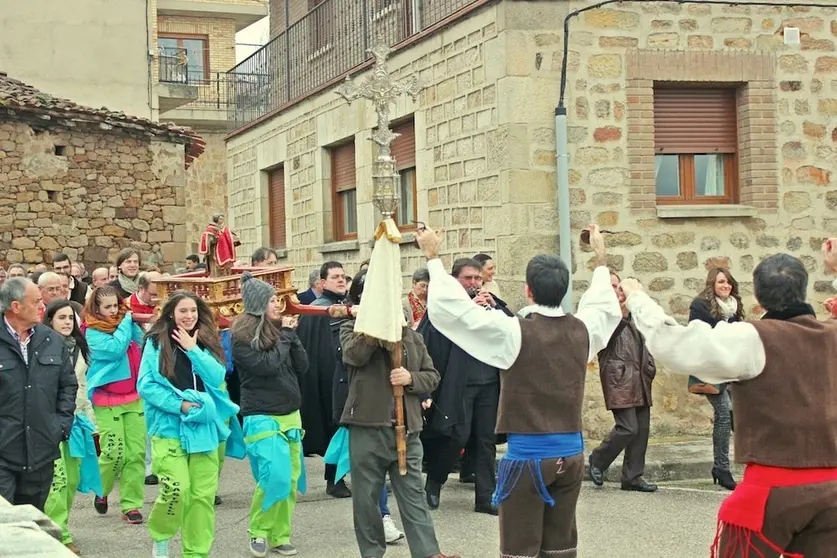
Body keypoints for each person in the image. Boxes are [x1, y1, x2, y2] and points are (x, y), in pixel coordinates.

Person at [619, 239, 837, 556]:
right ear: (803, 291)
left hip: (773, 493)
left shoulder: (751, 338)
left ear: (758, 298)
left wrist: (637, 297)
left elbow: (674, 345)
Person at [414, 224, 621, 558]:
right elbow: (605, 307)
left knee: (519, 551)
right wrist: (599, 258)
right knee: (561, 548)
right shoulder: (583, 330)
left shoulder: (513, 332)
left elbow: (457, 314)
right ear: (564, 290)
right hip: (571, 456)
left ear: (528, 290)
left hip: (528, 458)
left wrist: (433, 256)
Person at [340, 270, 459, 558]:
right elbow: (354, 356)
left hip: (408, 431)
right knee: (366, 501)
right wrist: (374, 327)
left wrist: (410, 378)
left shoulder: (413, 338)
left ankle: (428, 552)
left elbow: (432, 376)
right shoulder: (350, 329)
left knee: (413, 496)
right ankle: (371, 553)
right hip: (367, 428)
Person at [138, 291, 238, 558]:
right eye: (183, 311)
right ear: (170, 313)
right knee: (176, 489)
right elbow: (146, 385)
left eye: (193, 310)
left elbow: (217, 376)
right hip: (169, 427)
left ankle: (196, 553)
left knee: (202, 497)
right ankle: (161, 535)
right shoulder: (155, 342)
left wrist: (194, 349)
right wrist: (179, 405)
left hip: (203, 428)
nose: (189, 316)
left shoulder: (205, 339)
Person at [232, 273, 309, 557]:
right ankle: (258, 531)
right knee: (273, 475)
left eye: (277, 299)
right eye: (272, 301)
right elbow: (267, 365)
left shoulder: (281, 332)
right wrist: (286, 336)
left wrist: (292, 336)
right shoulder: (241, 338)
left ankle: (280, 534)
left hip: (291, 414)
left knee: (290, 479)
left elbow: (302, 366)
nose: (278, 305)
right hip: (261, 415)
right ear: (257, 305)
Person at [327, 269, 405, 545]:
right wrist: (367, 320)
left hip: (391, 401)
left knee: (392, 467)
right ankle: (380, 518)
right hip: (357, 400)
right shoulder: (344, 319)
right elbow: (349, 355)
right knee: (368, 473)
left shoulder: (396, 316)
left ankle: (383, 516)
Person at [0, 278, 77, 511]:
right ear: (16, 307)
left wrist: (60, 426)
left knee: (33, 526)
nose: (42, 306)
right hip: (3, 453)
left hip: (41, 453)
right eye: (36, 302)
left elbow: (68, 386)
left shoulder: (51, 340)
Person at [588, 272, 657, 493]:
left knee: (642, 429)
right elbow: (610, 333)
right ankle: (598, 460)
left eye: (619, 287)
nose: (618, 292)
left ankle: (633, 477)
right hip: (619, 378)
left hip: (639, 378)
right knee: (628, 428)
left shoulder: (634, 317)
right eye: (612, 287)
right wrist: (624, 309)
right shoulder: (604, 317)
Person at [43, 300, 101, 555]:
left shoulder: (79, 348)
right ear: (50, 321)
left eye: (71, 318)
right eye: (61, 317)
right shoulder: (41, 348)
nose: (67, 322)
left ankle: (58, 526)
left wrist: (93, 424)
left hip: (77, 421)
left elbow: (83, 388)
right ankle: (58, 534)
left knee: (72, 479)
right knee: (57, 481)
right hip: (49, 421)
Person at [84, 285, 146, 524]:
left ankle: (131, 505)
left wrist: (137, 326)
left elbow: (142, 344)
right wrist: (127, 321)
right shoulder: (92, 331)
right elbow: (115, 349)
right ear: (96, 309)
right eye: (107, 307)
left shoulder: (126, 324)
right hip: (106, 398)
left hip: (134, 396)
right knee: (113, 452)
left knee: (136, 453)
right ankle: (102, 489)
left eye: (116, 306)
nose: (113, 311)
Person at [296, 261, 352, 498]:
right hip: (325, 378)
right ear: (323, 282)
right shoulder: (318, 309)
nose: (340, 280)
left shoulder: (346, 307)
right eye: (335, 276)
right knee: (333, 428)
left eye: (342, 276)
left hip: (345, 375)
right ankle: (334, 479)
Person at [687, 267, 745, 491]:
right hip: (710, 368)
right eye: (721, 282)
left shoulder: (734, 307)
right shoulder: (700, 306)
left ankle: (731, 464)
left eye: (728, 282)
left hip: (732, 367)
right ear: (712, 284)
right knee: (723, 413)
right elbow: (695, 336)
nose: (725, 285)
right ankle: (722, 468)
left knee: (735, 415)